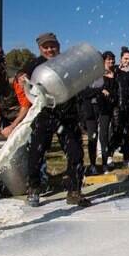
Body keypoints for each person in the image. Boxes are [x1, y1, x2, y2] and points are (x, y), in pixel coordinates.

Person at [23, 32, 90, 207]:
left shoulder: (67, 64)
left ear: (58, 46)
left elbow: (79, 87)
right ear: (40, 49)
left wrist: (81, 117)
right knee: (36, 154)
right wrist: (21, 78)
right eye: (46, 47)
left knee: (75, 153)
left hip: (67, 117)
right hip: (44, 116)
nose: (49, 50)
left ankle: (74, 191)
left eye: (52, 46)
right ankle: (34, 188)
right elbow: (23, 80)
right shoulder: (34, 65)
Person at [110, 48, 129, 168]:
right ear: (121, 58)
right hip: (118, 108)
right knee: (116, 133)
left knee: (127, 134)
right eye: (125, 58)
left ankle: (127, 158)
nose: (127, 61)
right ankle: (109, 156)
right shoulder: (115, 71)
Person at [98, 51, 118, 173]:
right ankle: (105, 158)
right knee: (104, 132)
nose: (111, 62)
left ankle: (110, 152)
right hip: (104, 106)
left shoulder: (116, 72)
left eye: (112, 59)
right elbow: (95, 86)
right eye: (108, 59)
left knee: (115, 130)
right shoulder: (99, 74)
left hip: (115, 105)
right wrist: (102, 90)